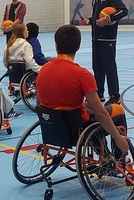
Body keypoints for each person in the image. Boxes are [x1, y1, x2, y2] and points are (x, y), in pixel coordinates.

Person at [36, 24, 129, 159]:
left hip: (52, 126)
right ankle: (119, 157)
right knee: (116, 110)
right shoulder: (82, 75)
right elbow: (101, 114)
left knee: (90, 112)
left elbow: (41, 102)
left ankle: (105, 156)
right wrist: (118, 138)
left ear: (56, 45)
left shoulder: (43, 70)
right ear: (78, 46)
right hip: (77, 129)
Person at [79, 0, 128, 105]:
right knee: (97, 67)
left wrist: (109, 18)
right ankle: (99, 93)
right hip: (96, 38)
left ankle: (114, 95)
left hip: (108, 39)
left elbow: (123, 10)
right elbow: (97, 18)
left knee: (109, 67)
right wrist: (89, 21)